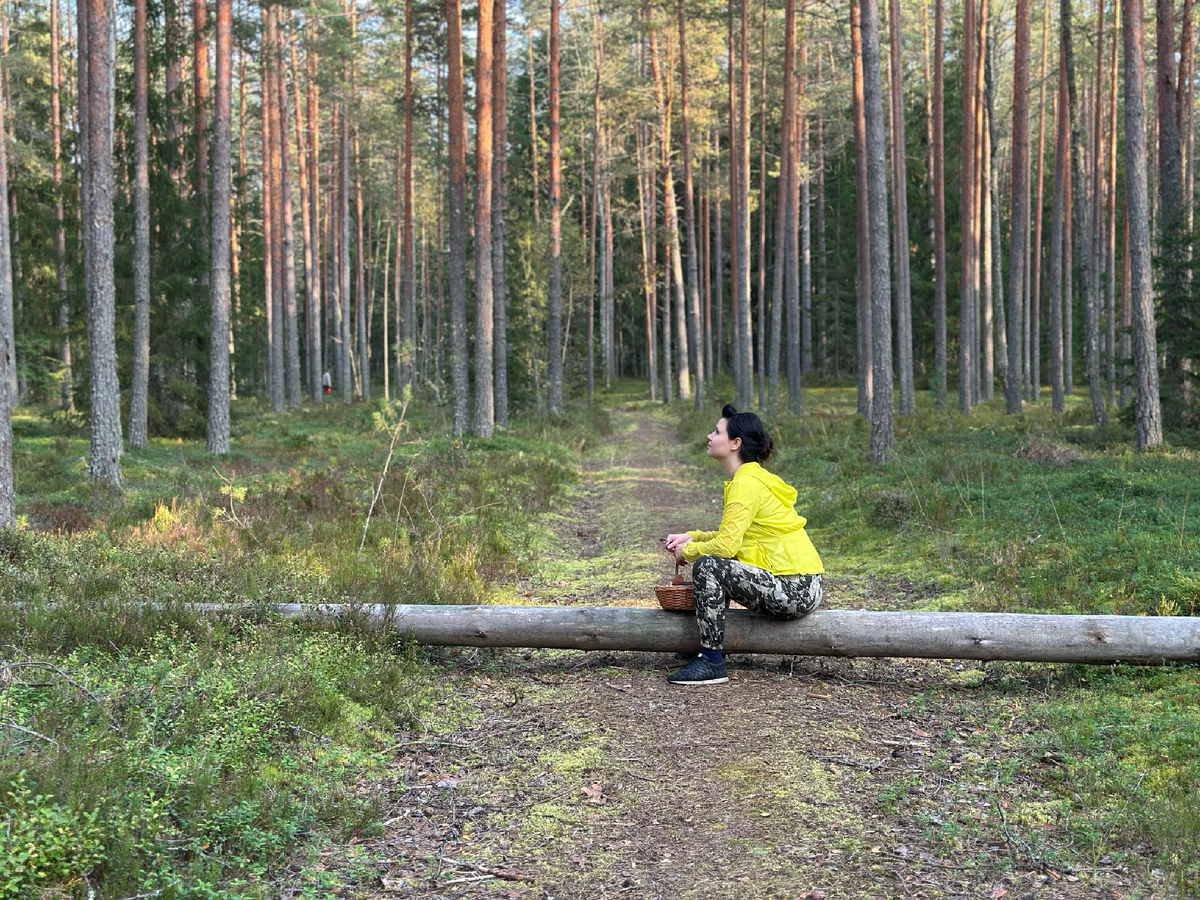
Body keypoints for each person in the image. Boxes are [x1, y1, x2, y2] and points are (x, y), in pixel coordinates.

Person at [664, 404, 823, 686]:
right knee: (716, 563)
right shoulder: (751, 477)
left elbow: (725, 546)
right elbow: (735, 536)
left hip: (795, 588)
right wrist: (693, 536)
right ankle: (705, 646)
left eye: (717, 431)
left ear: (735, 443)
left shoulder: (746, 483)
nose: (710, 436)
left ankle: (711, 660)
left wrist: (687, 552)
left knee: (709, 566)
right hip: (801, 584)